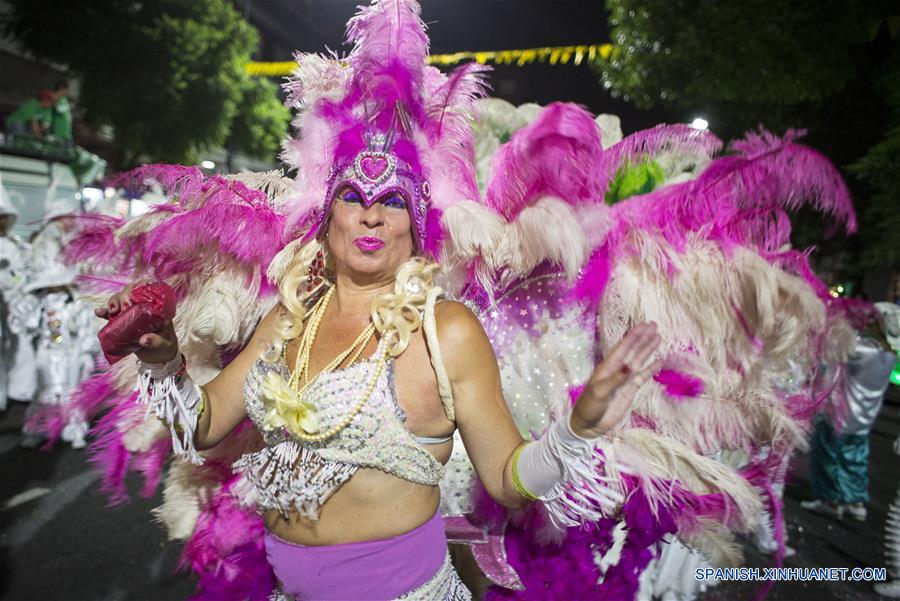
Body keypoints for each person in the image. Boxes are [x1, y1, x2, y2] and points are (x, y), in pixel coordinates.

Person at [802, 310, 896, 521]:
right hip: (864, 420)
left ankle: (829, 501)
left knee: (825, 458)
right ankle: (855, 502)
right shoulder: (890, 356)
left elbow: (826, 346)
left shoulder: (860, 349)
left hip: (838, 416)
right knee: (855, 460)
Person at [50, 79, 73, 143]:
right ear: (61, 88)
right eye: (66, 89)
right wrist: (57, 94)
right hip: (58, 134)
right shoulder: (53, 96)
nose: (67, 91)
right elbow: (56, 108)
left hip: (67, 134)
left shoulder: (64, 98)